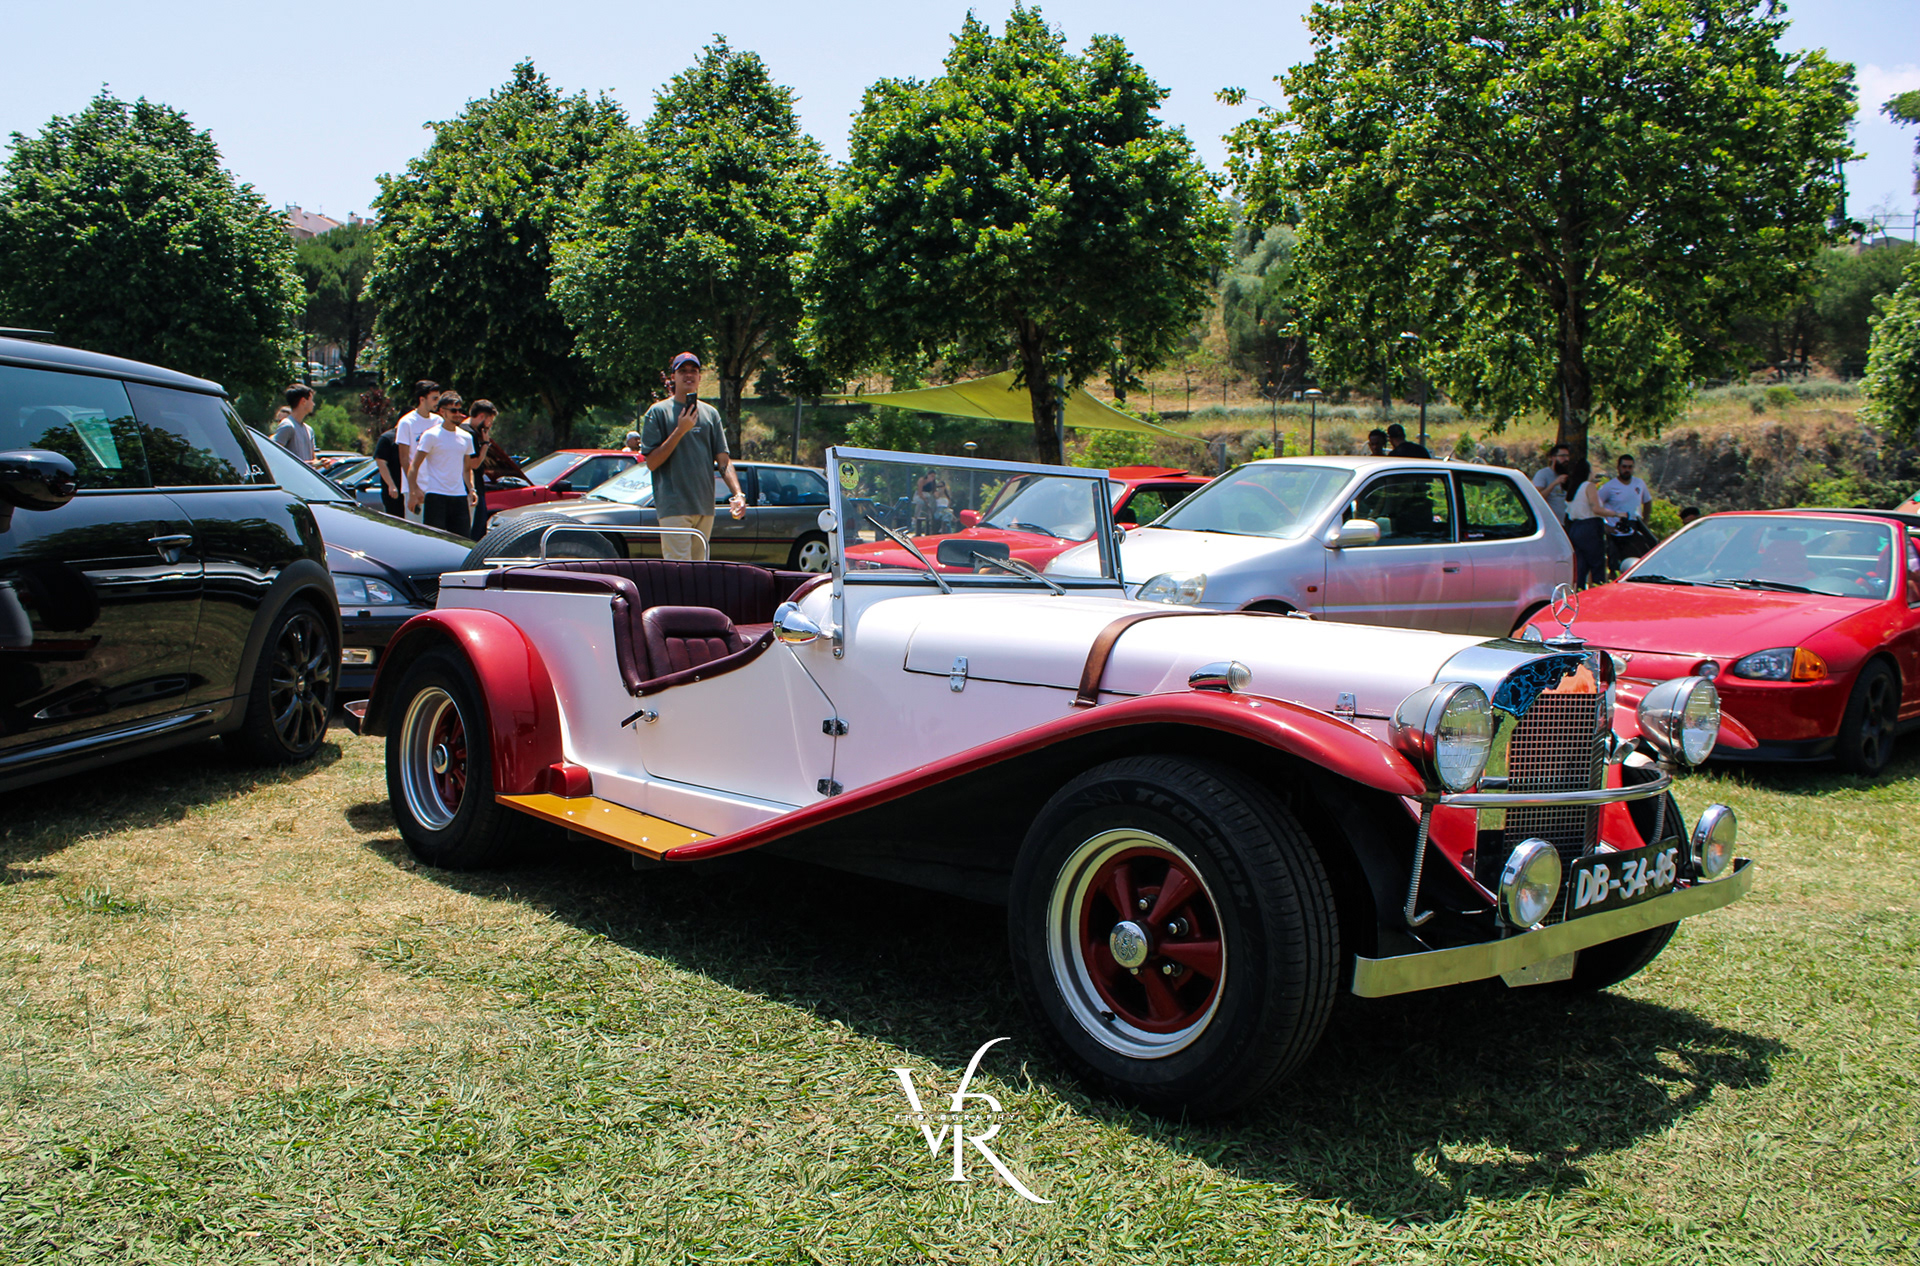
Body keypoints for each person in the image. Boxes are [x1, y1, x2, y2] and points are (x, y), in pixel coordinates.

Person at [639, 352, 745, 561]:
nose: (689, 375)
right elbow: (652, 463)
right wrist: (680, 430)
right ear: (673, 377)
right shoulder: (658, 412)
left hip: (705, 507)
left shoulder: (711, 413)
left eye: (693, 371)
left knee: (700, 571)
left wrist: (738, 494)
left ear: (699, 377)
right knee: (680, 570)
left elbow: (723, 461)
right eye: (683, 371)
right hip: (674, 507)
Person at [406, 392, 480, 536]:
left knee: (462, 540)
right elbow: (414, 465)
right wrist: (413, 492)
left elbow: (467, 468)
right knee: (434, 539)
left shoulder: (466, 437)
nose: (457, 414)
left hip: (459, 495)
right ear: (442, 411)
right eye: (453, 410)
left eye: (459, 410)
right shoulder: (431, 435)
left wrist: (471, 489)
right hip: (436, 495)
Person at [1565, 458, 1621, 588]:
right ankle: (1598, 590)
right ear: (1588, 471)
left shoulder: (1573, 489)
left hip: (1575, 528)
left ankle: (1578, 592)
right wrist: (1616, 514)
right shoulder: (1588, 486)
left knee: (1581, 567)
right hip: (1590, 527)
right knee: (1597, 565)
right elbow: (1596, 508)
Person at [393, 380, 442, 524]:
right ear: (422, 399)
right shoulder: (407, 422)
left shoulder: (438, 421)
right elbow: (404, 458)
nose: (437, 402)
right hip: (415, 486)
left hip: (436, 487)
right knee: (416, 529)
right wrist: (414, 488)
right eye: (434, 398)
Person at [1598, 454, 1653, 576]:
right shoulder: (1609, 487)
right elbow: (1595, 507)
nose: (1627, 470)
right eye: (1624, 467)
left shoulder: (1639, 483)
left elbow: (1647, 501)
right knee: (1615, 566)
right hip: (1616, 532)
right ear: (1618, 467)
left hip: (1634, 528)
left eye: (1630, 467)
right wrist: (1605, 526)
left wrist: (1645, 521)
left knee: (1639, 562)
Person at [463, 399, 499, 539]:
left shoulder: (465, 430)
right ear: (482, 416)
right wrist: (485, 444)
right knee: (476, 529)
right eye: (490, 421)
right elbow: (474, 464)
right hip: (472, 486)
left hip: (471, 486)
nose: (490, 425)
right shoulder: (469, 433)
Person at [273, 385, 318, 465]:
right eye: (311, 400)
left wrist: (321, 463)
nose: (313, 404)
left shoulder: (309, 429)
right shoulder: (287, 425)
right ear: (303, 401)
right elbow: (274, 456)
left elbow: (313, 460)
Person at [372, 420, 404, 516]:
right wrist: (391, 485)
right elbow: (381, 463)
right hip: (394, 489)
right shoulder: (387, 438)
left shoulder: (413, 437)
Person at [1532, 443, 1571, 522]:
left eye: (1567, 456)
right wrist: (1554, 483)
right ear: (1552, 458)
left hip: (1565, 522)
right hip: (1548, 521)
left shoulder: (1568, 475)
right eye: (1562, 456)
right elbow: (1537, 498)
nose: (1566, 459)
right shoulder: (1543, 474)